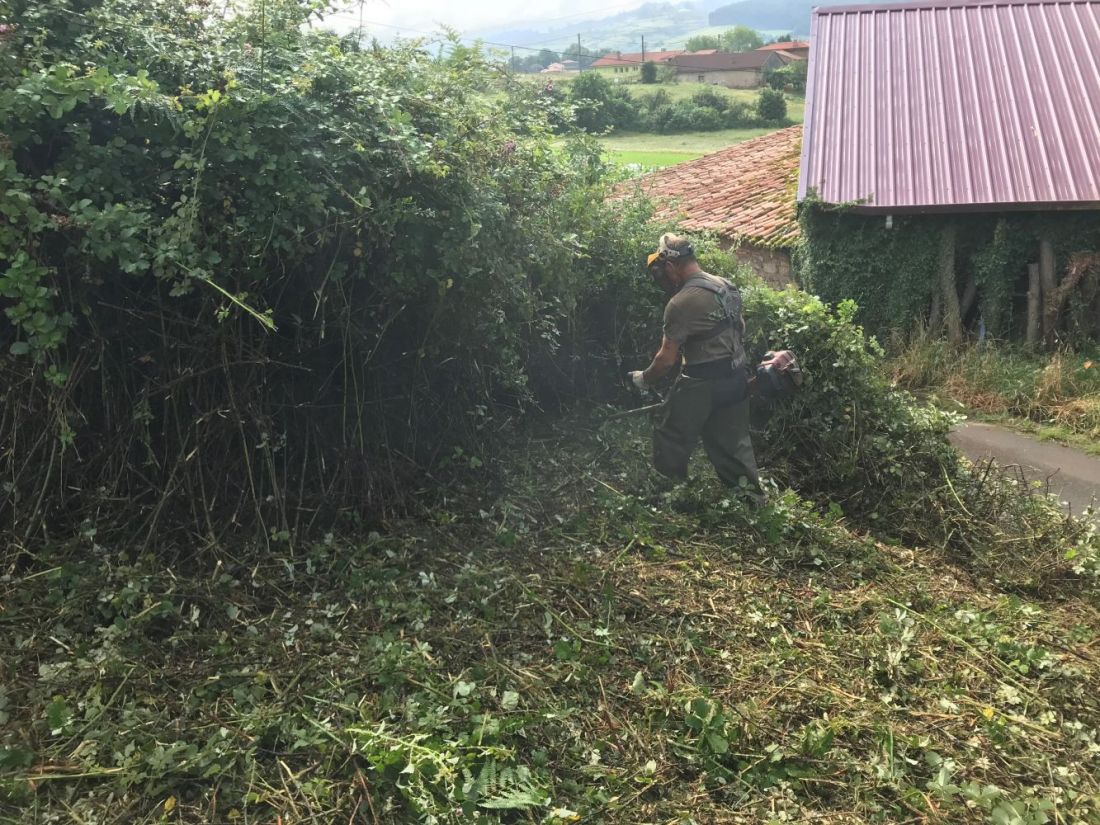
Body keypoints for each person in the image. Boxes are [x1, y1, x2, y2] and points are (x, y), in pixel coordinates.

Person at [628, 233, 763, 503]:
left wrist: (644, 379)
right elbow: (741, 328)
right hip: (737, 378)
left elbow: (666, 360)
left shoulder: (680, 303)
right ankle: (752, 504)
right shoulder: (726, 286)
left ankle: (669, 493)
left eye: (663, 271)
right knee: (733, 444)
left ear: (670, 266)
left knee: (671, 434)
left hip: (703, 382)